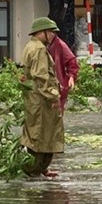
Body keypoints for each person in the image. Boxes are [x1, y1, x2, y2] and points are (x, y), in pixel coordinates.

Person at [21, 17, 64, 177]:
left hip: (34, 97)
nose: (53, 35)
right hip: (41, 99)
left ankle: (39, 169)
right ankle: (34, 169)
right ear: (41, 32)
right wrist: (53, 96)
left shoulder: (31, 46)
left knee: (38, 132)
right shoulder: (38, 49)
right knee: (41, 134)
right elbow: (41, 77)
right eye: (50, 32)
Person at [47, 26, 79, 112]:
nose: (51, 35)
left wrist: (71, 76)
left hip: (59, 82)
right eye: (50, 32)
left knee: (57, 111)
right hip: (51, 82)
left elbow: (72, 61)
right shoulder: (46, 44)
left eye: (53, 32)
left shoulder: (60, 45)